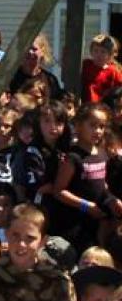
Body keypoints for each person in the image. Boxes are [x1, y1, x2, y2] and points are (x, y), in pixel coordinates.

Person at [53, 102, 122, 254]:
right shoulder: (73, 157)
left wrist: (110, 199)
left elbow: (101, 183)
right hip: (75, 223)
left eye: (101, 126)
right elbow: (59, 191)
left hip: (96, 221)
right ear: (78, 126)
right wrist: (86, 206)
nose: (97, 131)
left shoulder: (102, 153)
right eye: (92, 125)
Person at [10, 33, 62, 100]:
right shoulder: (11, 78)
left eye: (34, 49)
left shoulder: (50, 80)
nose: (30, 52)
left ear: (42, 51)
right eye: (27, 48)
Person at [81, 34, 122, 103]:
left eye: (103, 52)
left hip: (103, 107)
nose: (99, 55)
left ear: (110, 55)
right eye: (96, 51)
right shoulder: (86, 64)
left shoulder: (113, 71)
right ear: (91, 52)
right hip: (85, 104)